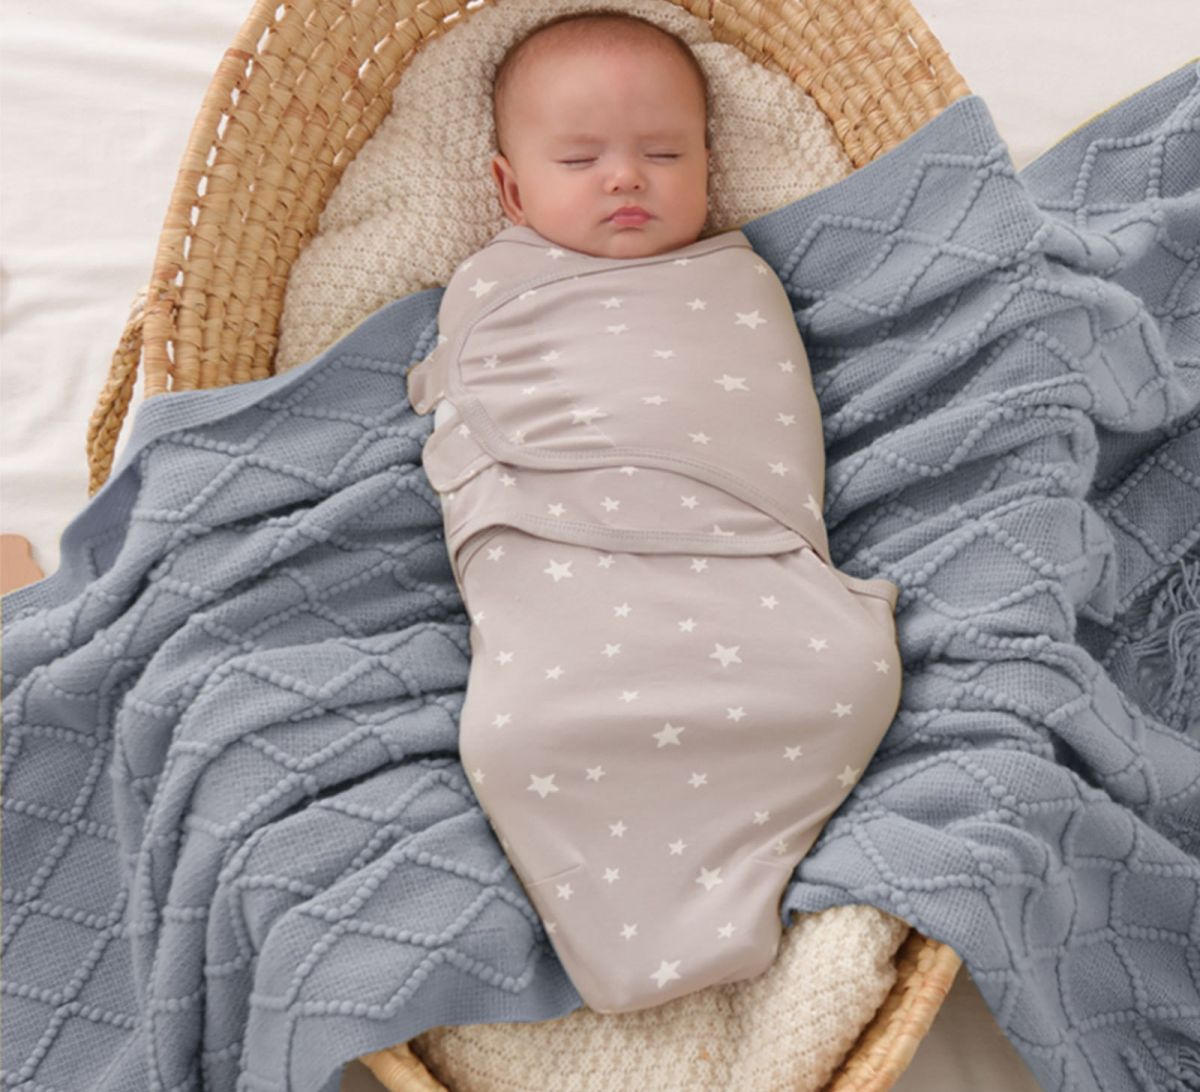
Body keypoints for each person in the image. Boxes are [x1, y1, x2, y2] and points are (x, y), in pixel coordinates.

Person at [405, 9, 903, 1014]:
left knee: (848, 672)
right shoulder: (498, 290)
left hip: (747, 580)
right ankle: (642, 935)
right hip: (571, 595)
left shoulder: (739, 282)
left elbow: (770, 431)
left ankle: (735, 892)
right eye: (580, 158)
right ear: (512, 189)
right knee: (515, 737)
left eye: (664, 154)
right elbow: (476, 431)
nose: (626, 178)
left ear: (709, 168)